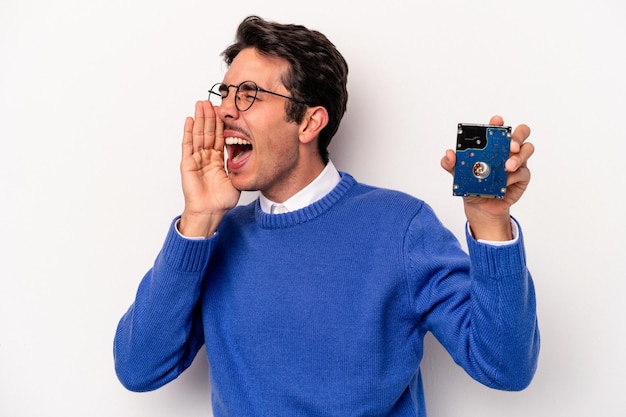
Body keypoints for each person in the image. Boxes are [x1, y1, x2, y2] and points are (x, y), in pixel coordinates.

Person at [114, 15, 539, 416]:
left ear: (309, 122)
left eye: (248, 94)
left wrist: (490, 224)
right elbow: (139, 369)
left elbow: (505, 368)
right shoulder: (216, 236)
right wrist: (198, 219)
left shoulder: (400, 227)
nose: (226, 110)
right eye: (224, 93)